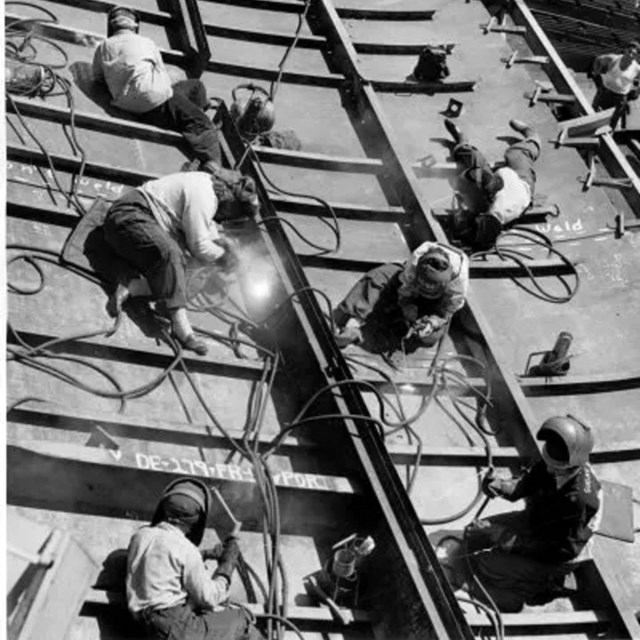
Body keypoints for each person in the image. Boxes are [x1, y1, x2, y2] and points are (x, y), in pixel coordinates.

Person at [103, 165, 259, 355]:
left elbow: (208, 241)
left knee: (195, 275)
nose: (223, 220)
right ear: (230, 202)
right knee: (172, 253)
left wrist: (226, 250)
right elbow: (199, 246)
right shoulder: (204, 195)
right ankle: (181, 327)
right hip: (128, 216)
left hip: (146, 231)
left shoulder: (212, 191)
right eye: (229, 216)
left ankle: (133, 287)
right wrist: (225, 257)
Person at [464, 415, 601, 612]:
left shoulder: (580, 500)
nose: (547, 465)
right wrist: (500, 486)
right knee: (474, 534)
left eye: (554, 460)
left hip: (559, 554)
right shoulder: (554, 463)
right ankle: (533, 574)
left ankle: (539, 588)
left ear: (571, 462)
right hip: (539, 523)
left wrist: (506, 538)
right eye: (548, 454)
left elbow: (563, 550)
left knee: (486, 564)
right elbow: (525, 485)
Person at [126, 478, 264, 639]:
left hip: (148, 625)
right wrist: (226, 567)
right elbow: (209, 598)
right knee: (242, 620)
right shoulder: (187, 549)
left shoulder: (140, 536)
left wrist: (205, 554)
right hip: (176, 627)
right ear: (196, 520)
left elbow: (164, 559)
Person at [93, 6, 221, 165]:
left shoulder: (102, 47)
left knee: (196, 86)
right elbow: (161, 73)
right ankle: (214, 168)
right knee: (202, 123)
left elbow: (98, 78)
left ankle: (193, 113)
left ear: (112, 26)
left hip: (126, 104)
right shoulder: (147, 42)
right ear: (135, 26)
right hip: (156, 105)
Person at [333, 241, 469, 352]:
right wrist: (407, 304)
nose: (427, 288)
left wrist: (431, 323)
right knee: (381, 275)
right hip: (409, 287)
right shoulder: (414, 264)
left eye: (432, 287)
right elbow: (404, 290)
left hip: (435, 304)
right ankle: (353, 324)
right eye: (424, 283)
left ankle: (409, 331)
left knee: (431, 337)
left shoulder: (457, 286)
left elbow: (446, 312)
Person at [443, 117, 541, 250]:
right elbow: (482, 178)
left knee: (511, 154)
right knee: (482, 156)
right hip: (517, 183)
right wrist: (465, 178)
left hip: (515, 185)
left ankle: (532, 138)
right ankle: (462, 141)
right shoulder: (497, 199)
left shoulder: (495, 217)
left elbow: (485, 234)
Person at [591, 40, 640, 127]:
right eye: (629, 51)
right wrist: (596, 71)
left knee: (612, 121)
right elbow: (598, 59)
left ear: (636, 56)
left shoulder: (637, 69)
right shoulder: (613, 58)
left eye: (634, 54)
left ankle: (609, 137)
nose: (630, 55)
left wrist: (637, 91)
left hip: (619, 98)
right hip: (605, 92)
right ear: (625, 50)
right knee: (593, 114)